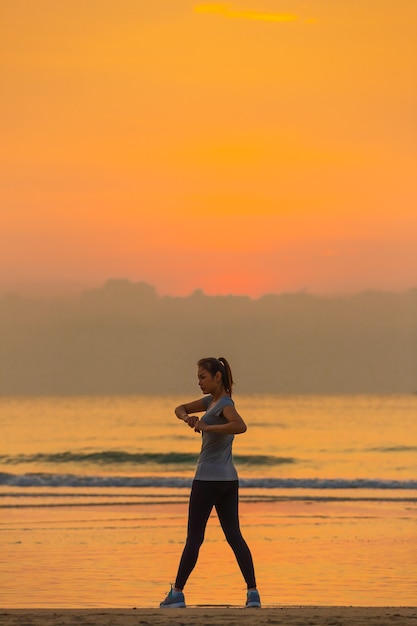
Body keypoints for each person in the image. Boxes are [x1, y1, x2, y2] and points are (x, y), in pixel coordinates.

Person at [160, 357, 261, 609]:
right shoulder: (210, 402)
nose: (199, 382)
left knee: (194, 538)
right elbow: (179, 407)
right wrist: (189, 419)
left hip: (207, 480)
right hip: (229, 480)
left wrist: (209, 427)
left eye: (203, 377)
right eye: (198, 378)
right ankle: (253, 594)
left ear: (217, 377)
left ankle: (177, 594)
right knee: (234, 536)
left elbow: (241, 426)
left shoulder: (224, 403)